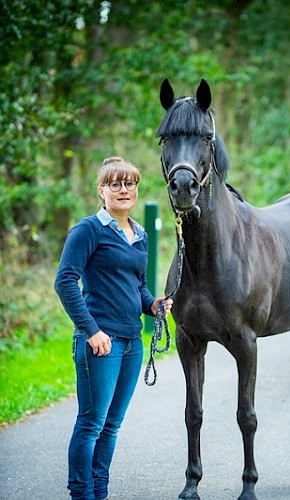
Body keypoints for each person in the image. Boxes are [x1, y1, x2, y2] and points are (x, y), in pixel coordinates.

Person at [54, 156, 173, 500]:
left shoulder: (140, 234)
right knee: (91, 423)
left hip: (132, 342)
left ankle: (100, 491)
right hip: (100, 343)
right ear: (102, 190)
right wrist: (91, 331)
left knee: (111, 425)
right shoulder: (88, 230)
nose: (124, 190)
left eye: (130, 183)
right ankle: (82, 493)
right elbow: (65, 281)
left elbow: (138, 287)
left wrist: (153, 305)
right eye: (115, 184)